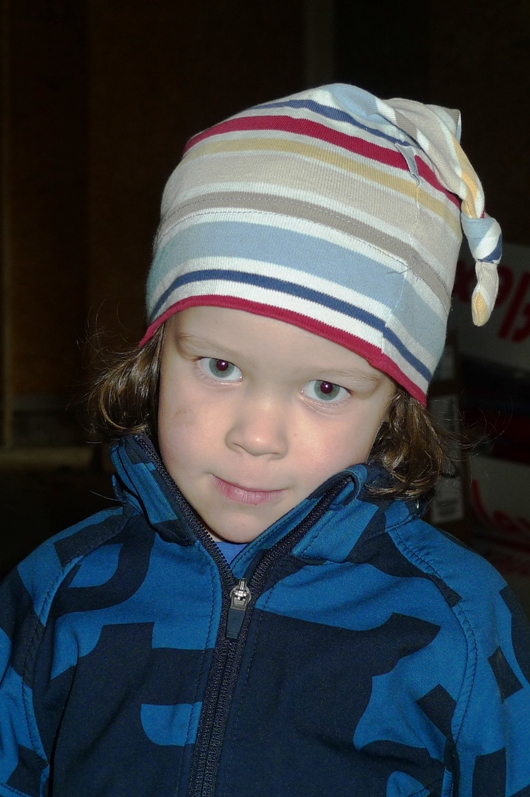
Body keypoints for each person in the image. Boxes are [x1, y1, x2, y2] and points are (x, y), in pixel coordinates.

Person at [1, 83, 529, 797]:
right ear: (157, 356)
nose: (255, 436)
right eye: (220, 367)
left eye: (326, 388)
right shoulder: (56, 591)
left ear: (394, 407)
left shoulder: (462, 620)